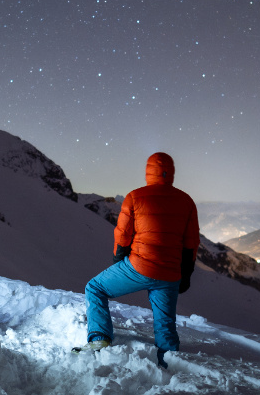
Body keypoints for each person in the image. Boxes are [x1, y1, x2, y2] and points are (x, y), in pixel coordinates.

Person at [81, 152, 200, 368]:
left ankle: (99, 339)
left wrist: (119, 260)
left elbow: (123, 235)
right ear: (171, 172)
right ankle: (170, 365)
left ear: (148, 171)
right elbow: (191, 244)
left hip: (139, 266)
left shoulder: (136, 196)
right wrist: (186, 274)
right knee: (165, 323)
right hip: (170, 273)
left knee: (95, 288)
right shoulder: (186, 201)